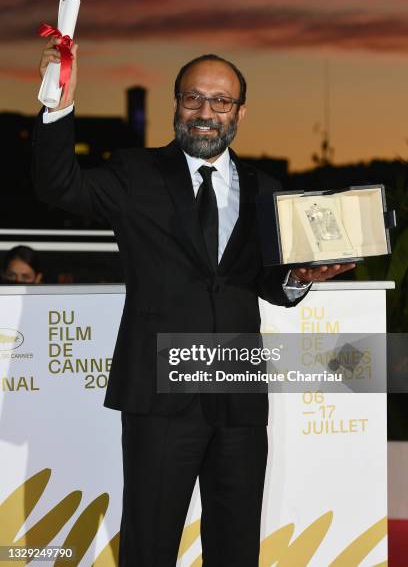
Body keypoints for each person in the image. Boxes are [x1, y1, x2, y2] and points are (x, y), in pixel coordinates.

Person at [33, 37, 355, 566]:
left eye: (221, 102)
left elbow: (269, 282)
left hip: (238, 399)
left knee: (235, 548)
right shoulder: (134, 173)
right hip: (159, 397)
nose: (206, 112)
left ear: (239, 112)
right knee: (150, 546)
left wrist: (300, 276)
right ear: (176, 104)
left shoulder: (263, 187)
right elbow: (58, 186)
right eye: (193, 99)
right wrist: (57, 105)